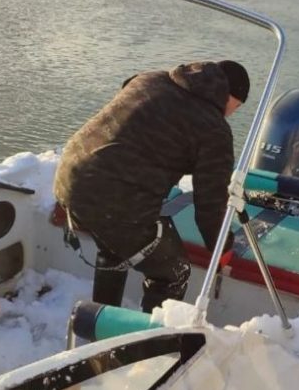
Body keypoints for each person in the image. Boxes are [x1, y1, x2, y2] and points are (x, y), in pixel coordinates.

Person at [54, 60, 249, 312]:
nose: (233, 112)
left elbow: (135, 119)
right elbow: (209, 205)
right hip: (113, 197)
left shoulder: (150, 78)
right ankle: (146, 348)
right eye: (237, 106)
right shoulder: (214, 128)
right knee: (173, 272)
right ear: (230, 96)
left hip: (70, 177)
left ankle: (99, 326)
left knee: (114, 247)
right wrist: (221, 247)